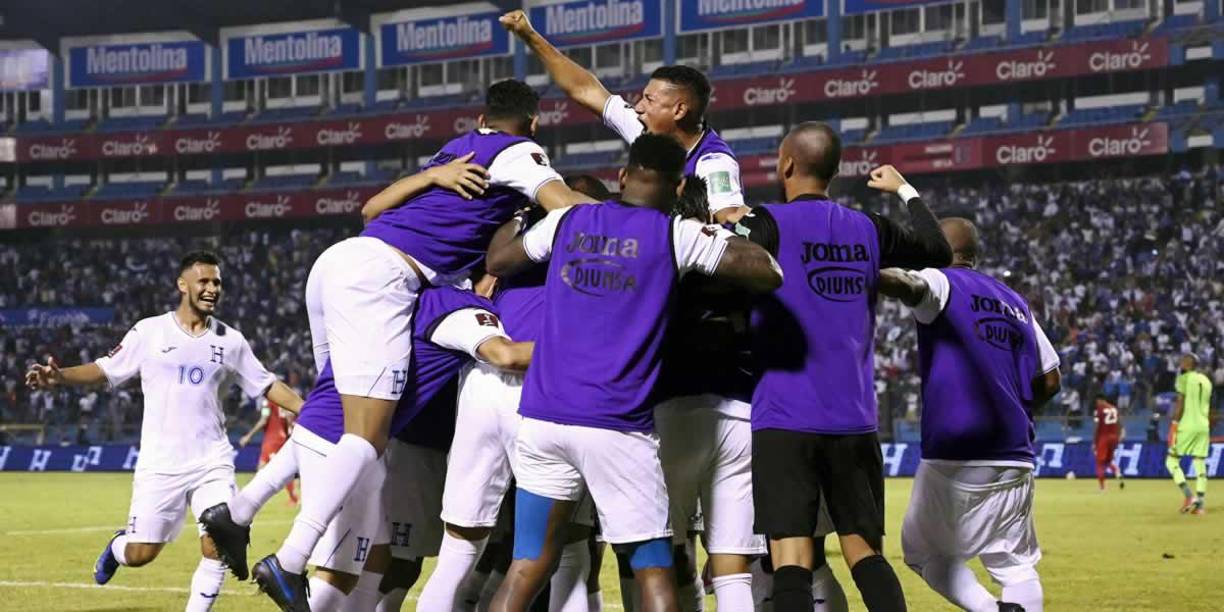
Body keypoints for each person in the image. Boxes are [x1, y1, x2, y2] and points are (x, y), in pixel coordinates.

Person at [243, 79, 593, 609]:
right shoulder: (519, 157)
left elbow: (370, 209)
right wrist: (637, 222)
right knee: (368, 444)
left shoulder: (454, 152)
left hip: (346, 265)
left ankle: (246, 515)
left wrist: (431, 173)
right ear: (535, 122)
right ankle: (284, 553)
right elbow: (565, 204)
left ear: (481, 114)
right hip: (385, 289)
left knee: (367, 517)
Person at [483, 133, 783, 612]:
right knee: (653, 567)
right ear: (680, 187)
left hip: (542, 417)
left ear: (623, 176)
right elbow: (767, 270)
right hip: (616, 424)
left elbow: (498, 260)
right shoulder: (674, 234)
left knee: (527, 567)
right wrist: (714, 229)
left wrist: (522, 212)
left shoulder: (568, 221)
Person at [206, 285, 533, 611]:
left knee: (375, 560)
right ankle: (282, 555)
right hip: (351, 440)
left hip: (333, 422)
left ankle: (238, 515)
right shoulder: (449, 304)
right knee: (344, 572)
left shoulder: (383, 294)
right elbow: (505, 355)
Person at [735, 122, 952, 612]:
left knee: (790, 554)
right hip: (853, 418)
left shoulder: (766, 222)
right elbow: (938, 251)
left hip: (785, 416)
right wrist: (904, 190)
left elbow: (714, 256)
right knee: (863, 551)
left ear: (786, 164)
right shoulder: (869, 228)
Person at [25, 251, 304, 612]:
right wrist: (60, 377)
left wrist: (310, 409)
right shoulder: (149, 331)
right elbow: (105, 369)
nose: (211, 289)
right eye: (203, 281)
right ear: (182, 285)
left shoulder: (230, 340)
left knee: (218, 541)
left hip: (212, 460)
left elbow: (266, 384)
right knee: (141, 554)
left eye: (216, 282)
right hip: (161, 464)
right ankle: (116, 548)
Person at [418, 175, 611, 612]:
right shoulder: (597, 265)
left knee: (460, 546)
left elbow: (496, 258)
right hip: (548, 392)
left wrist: (526, 211)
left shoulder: (510, 260)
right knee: (569, 547)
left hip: (483, 389)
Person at [877, 217, 1062, 612]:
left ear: (942, 252)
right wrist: (1013, 407)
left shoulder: (942, 281)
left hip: (956, 450)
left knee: (923, 552)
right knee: (1014, 564)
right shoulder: (1015, 302)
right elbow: (1050, 379)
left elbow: (910, 284)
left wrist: (865, 268)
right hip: (1015, 451)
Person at [501, 10, 748, 224]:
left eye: (649, 100)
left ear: (679, 111)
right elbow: (584, 89)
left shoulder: (714, 163)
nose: (638, 107)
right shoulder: (646, 128)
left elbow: (728, 216)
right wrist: (529, 36)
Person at [1167, 353, 1212, 515]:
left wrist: (1174, 423)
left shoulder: (1183, 378)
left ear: (1187, 364)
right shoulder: (1207, 381)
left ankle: (1188, 496)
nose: (1180, 363)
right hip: (1203, 425)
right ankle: (1200, 505)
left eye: (1182, 360)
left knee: (1171, 461)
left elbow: (1181, 402)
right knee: (1200, 462)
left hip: (1187, 425)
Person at [239, 395, 298, 504]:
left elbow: (263, 420)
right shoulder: (281, 400)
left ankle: (250, 497)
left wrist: (249, 435)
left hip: (272, 438)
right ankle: (293, 497)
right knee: (283, 467)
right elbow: (289, 419)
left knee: (261, 467)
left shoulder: (267, 402)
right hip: (282, 437)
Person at [1093, 394, 1124, 491]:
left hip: (1104, 438)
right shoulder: (1114, 409)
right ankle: (1117, 472)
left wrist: (1095, 442)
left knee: (1100, 463)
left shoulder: (1100, 409)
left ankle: (1102, 487)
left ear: (1099, 400)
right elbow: (1119, 424)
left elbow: (1097, 426)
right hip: (1114, 437)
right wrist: (1118, 436)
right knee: (1108, 461)